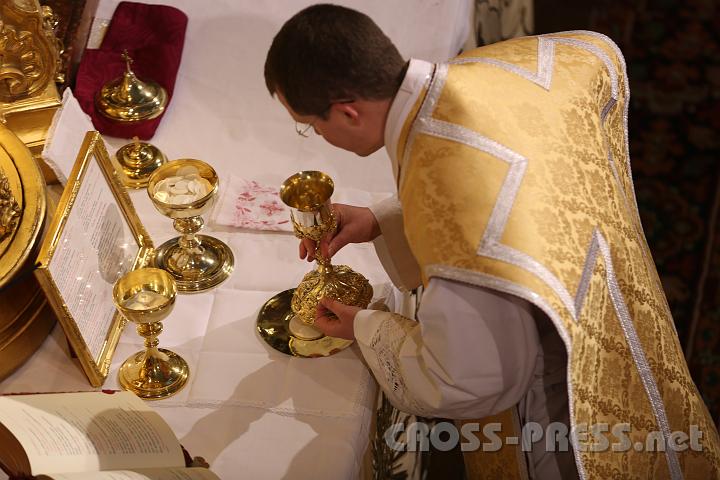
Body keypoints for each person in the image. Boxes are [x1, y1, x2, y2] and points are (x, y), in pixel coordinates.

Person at [264, 4, 720, 479]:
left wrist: (364, 326)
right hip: (610, 299)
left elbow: (470, 381)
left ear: (348, 112)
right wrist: (383, 219)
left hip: (560, 403)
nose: (317, 136)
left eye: (312, 126)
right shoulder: (479, 75)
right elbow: (585, 63)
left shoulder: (460, 216)